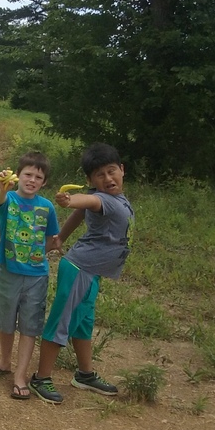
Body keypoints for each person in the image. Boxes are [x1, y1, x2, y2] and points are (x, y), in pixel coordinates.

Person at [28, 142, 134, 404]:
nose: (108, 179)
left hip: (91, 272)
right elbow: (84, 201)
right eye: (100, 175)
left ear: (122, 170)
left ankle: (85, 375)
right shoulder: (102, 198)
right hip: (79, 269)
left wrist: (59, 237)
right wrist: (68, 199)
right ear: (90, 180)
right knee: (62, 320)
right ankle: (41, 378)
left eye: (112, 171)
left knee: (84, 322)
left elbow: (80, 211)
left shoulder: (117, 198)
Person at [0, 152, 60, 400]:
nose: (32, 180)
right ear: (19, 174)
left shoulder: (47, 207)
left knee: (29, 325)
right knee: (6, 320)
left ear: (44, 182)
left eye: (38, 177)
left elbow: (52, 239)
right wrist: (3, 187)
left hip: (37, 275)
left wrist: (37, 255)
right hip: (8, 271)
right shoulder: (10, 199)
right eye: (28, 174)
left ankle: (20, 374)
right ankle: (4, 361)